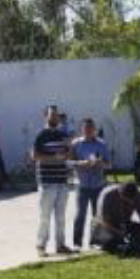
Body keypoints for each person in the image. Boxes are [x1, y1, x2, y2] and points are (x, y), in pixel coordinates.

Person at [33, 106, 72, 257]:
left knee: (61, 217)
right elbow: (36, 156)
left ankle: (60, 245)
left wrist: (68, 151)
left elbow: (68, 154)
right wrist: (54, 158)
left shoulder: (63, 134)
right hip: (47, 182)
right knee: (45, 217)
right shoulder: (41, 135)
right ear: (46, 117)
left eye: (56, 116)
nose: (55, 118)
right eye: (52, 116)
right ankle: (41, 246)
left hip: (62, 181)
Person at [70, 118, 109, 250]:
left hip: (98, 185)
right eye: (85, 128)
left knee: (97, 215)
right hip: (82, 185)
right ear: (82, 129)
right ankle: (77, 243)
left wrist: (100, 163)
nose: (88, 130)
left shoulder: (102, 144)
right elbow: (69, 163)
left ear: (94, 129)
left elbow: (109, 164)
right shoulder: (75, 144)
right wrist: (82, 163)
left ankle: (95, 241)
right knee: (80, 214)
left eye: (90, 128)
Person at [90, 183, 140, 255]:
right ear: (120, 193)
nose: (129, 203)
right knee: (110, 241)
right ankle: (113, 243)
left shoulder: (137, 194)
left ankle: (126, 244)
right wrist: (118, 233)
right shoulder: (108, 194)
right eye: (126, 200)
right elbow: (103, 221)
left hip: (123, 224)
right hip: (104, 225)